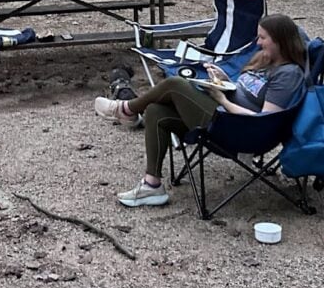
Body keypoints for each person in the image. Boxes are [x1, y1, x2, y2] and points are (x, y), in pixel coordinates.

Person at [93, 13, 307, 207]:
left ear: (280, 41)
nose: (258, 43)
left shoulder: (288, 74)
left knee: (175, 84)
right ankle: (152, 185)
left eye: (263, 38)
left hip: (241, 130)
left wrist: (223, 100)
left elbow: (264, 120)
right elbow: (245, 90)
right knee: (156, 111)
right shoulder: (265, 60)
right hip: (224, 115)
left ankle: (125, 109)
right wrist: (222, 79)